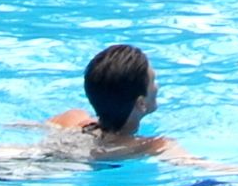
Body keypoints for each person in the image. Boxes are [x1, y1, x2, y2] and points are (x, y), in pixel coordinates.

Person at [43, 43, 186, 159]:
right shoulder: (152, 145)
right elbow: (197, 167)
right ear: (141, 104)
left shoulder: (72, 118)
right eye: (153, 81)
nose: (157, 86)